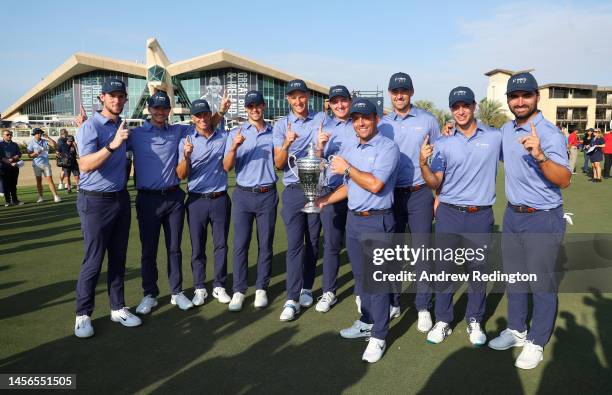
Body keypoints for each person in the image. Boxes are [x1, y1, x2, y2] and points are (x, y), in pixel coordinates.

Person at [488, 72, 571, 370]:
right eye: (514, 96)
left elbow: (564, 180)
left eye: (526, 96)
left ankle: (536, 340)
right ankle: (517, 330)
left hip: (543, 218)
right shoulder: (506, 131)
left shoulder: (549, 133)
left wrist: (539, 155)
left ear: (536, 97)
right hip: (513, 216)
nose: (520, 101)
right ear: (509, 100)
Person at [315, 98, 400, 363]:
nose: (361, 122)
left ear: (376, 119)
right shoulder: (351, 148)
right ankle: (366, 321)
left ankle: (379, 335)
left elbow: (374, 184)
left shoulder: (388, 147)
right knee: (362, 279)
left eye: (366, 118)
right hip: (354, 220)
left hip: (378, 220)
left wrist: (347, 168)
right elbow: (350, 186)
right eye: (356, 119)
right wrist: (324, 200)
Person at [131, 90, 228, 315]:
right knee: (149, 250)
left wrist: (221, 112)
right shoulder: (136, 134)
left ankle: (176, 292)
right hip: (147, 199)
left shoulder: (178, 131)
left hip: (174, 197)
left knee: (174, 248)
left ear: (169, 111)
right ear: (149, 109)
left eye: (164, 108)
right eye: (156, 108)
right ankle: (149, 294)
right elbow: (116, 147)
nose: (160, 112)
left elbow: (205, 123)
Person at [419, 87, 500, 346]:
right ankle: (443, 319)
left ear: (474, 106)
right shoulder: (443, 143)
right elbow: (435, 182)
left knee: (477, 271)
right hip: (449, 214)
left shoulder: (495, 137)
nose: (461, 110)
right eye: (456, 106)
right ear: (452, 110)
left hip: (480, 215)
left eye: (465, 105)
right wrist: (422, 163)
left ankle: (474, 319)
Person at [74, 78, 141, 338]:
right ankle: (83, 314)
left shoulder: (121, 126)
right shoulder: (91, 126)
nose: (116, 100)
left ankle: (117, 307)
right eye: (111, 96)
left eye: (120, 96)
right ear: (102, 98)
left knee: (118, 257)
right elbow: (85, 164)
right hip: (94, 200)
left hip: (120, 199)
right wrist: (112, 145)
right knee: (93, 259)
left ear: (125, 99)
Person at [378, 72, 440, 327]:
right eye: (395, 91)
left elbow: (439, 160)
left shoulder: (427, 121)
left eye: (404, 90)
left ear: (411, 92)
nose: (399, 95)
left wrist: (438, 195)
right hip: (391, 195)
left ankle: (423, 306)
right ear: (390, 94)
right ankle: (393, 302)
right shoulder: (382, 124)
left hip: (419, 193)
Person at [273, 79, 326, 321]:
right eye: (293, 97)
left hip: (316, 187)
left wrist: (323, 144)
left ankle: (306, 286)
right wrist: (287, 142)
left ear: (307, 96)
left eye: (301, 96)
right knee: (295, 244)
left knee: (313, 241)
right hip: (294, 190)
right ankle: (291, 298)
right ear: (288, 99)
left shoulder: (321, 119)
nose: (298, 101)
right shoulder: (282, 125)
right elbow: (278, 163)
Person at [223, 90, 278, 311]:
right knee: (240, 244)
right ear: (246, 109)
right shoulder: (236, 133)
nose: (254, 109)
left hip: (267, 193)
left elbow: (281, 162)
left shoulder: (274, 133)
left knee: (265, 244)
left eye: (258, 105)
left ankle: (261, 288)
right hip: (243, 194)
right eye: (250, 106)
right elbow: (226, 166)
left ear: (263, 106)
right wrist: (235, 147)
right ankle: (238, 290)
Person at [176, 99, 232, 308]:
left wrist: (223, 111)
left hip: (220, 199)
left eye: (205, 114)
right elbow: (181, 174)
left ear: (210, 115)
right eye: (198, 116)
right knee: (197, 247)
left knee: (221, 245)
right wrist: (187, 157)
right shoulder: (186, 140)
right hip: (196, 200)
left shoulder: (223, 137)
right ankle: (199, 287)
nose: (202, 119)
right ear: (192, 118)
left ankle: (219, 285)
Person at [314, 85, 355, 313]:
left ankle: (362, 292)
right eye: (335, 101)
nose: (340, 105)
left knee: (358, 245)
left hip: (358, 193)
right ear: (329, 104)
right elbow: (317, 165)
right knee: (330, 245)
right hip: (332, 192)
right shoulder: (324, 127)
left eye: (343, 101)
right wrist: (319, 148)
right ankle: (328, 291)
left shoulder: (361, 122)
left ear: (350, 101)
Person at [27, 128, 61, 203]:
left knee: (49, 180)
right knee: (39, 181)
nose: (39, 134)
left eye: (40, 133)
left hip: (45, 163)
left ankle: (55, 196)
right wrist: (35, 153)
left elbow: (54, 144)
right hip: (36, 164)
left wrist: (48, 137)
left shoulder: (44, 141)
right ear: (34, 134)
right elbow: (29, 155)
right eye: (38, 133)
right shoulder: (31, 143)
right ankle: (40, 197)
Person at [0, 129, 23, 206]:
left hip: (14, 167)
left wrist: (13, 159)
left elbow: (18, 154)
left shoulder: (15, 144)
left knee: (13, 185)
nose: (9, 136)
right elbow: (1, 157)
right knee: (6, 185)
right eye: (7, 135)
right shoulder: (0, 145)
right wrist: (8, 162)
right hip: (4, 168)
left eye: (10, 134)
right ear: (3, 135)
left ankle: (15, 200)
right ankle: (7, 201)